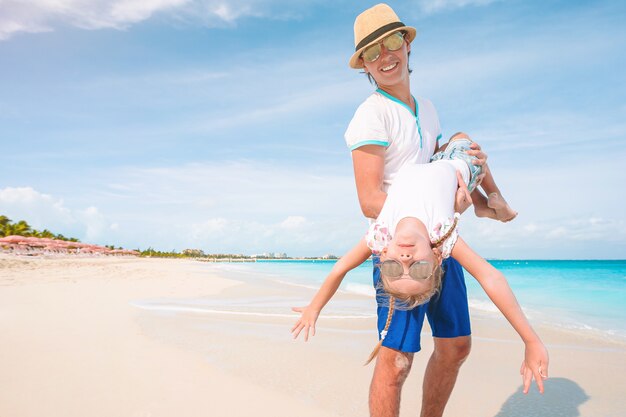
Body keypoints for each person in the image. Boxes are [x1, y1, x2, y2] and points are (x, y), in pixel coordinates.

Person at [294, 4, 514, 417]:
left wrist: (462, 188)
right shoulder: (371, 115)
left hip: (440, 241)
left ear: (407, 43)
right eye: (372, 52)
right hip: (402, 248)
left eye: (392, 42)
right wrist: (435, 212)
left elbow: (429, 168)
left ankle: (489, 204)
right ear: (364, 65)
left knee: (455, 347)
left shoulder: (426, 108)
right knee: (396, 361)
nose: (385, 56)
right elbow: (370, 201)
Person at [291, 137, 549, 395]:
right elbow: (491, 278)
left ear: (383, 255)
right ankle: (493, 200)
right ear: (437, 258)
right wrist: (530, 339)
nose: (405, 262)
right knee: (464, 140)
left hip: (432, 163)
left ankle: (484, 204)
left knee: (452, 146)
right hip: (459, 167)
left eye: (393, 269)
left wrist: (314, 308)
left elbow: (340, 268)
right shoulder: (442, 234)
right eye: (418, 270)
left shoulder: (380, 234)